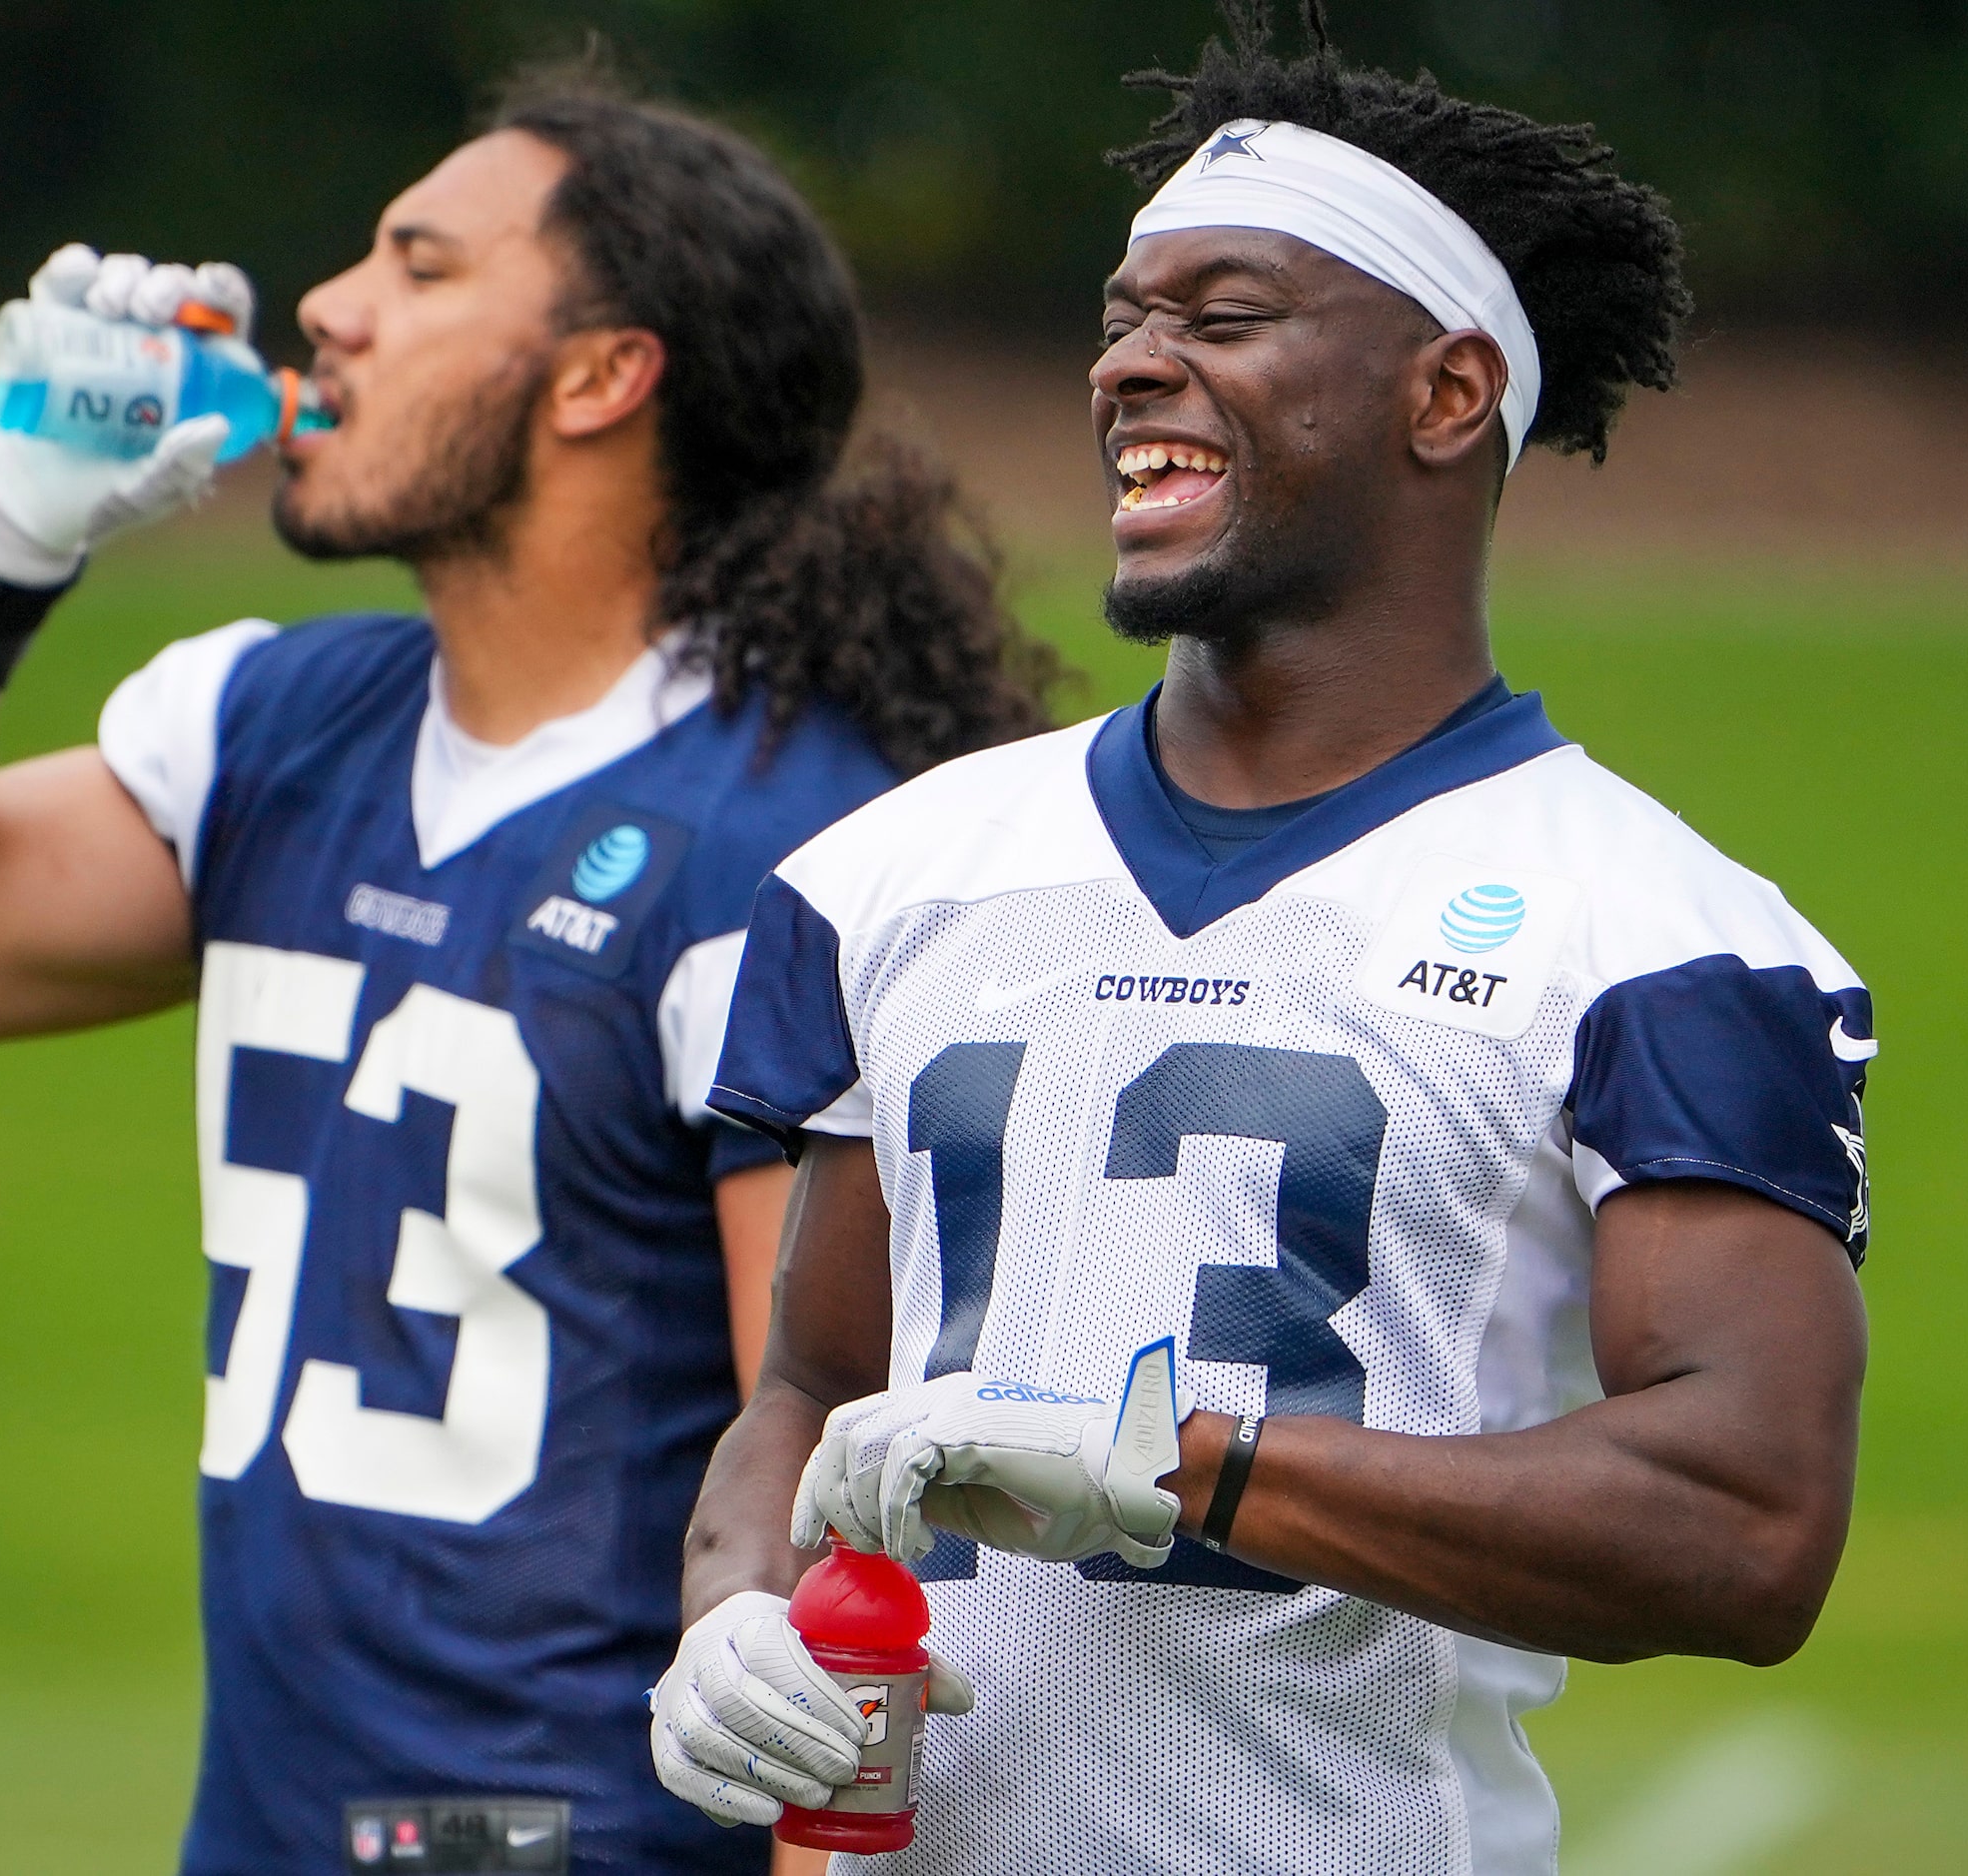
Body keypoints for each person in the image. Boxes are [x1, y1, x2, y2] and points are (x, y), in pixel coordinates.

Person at [0, 59, 1053, 1876]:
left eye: (420, 268)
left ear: (601, 375)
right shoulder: (278, 723)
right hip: (268, 1828)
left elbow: (831, 1496)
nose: (329, 307)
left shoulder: (776, 853)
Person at [645, 5, 1872, 1871]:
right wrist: (734, 1605)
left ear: (1445, 395)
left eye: (1220, 319)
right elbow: (811, 1389)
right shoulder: (891, 875)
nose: (1131, 366)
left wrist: (1176, 1461)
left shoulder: (1658, 937)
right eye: (1123, 320)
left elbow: (1747, 1520)